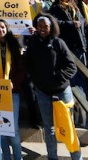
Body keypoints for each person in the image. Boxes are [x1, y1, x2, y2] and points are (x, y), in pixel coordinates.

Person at [25, 14, 82, 160]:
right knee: (49, 128)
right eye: (40, 26)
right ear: (36, 27)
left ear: (51, 27)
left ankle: (76, 157)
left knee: (68, 126)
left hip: (62, 90)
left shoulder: (58, 42)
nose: (43, 29)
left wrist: (58, 79)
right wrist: (37, 81)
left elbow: (71, 66)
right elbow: (29, 64)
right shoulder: (32, 43)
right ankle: (52, 157)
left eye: (46, 26)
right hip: (43, 91)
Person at [0, 19, 25, 160]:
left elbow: (22, 69)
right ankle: (5, 157)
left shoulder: (15, 44)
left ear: (7, 28)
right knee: (0, 127)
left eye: (3, 27)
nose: (1, 30)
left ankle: (18, 157)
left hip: (12, 91)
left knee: (13, 128)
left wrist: (14, 83)